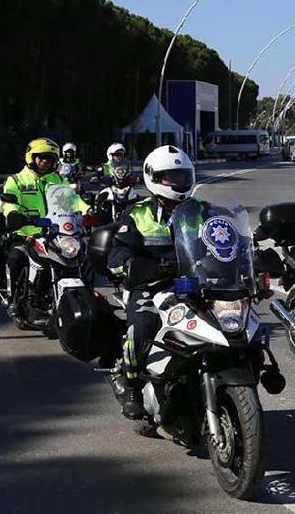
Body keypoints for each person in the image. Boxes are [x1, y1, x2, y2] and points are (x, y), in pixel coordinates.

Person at [106, 145, 197, 419]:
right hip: (150, 287)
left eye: (182, 176)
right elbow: (117, 254)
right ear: (153, 178)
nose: (178, 183)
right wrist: (134, 266)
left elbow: (225, 238)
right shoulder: (136, 214)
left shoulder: (200, 211)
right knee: (142, 325)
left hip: (193, 284)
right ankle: (132, 386)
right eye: (171, 177)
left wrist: (247, 253)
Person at [1, 138, 82, 323]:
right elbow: (9, 204)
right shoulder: (16, 180)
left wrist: (88, 210)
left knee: (80, 255)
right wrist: (13, 215)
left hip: (55, 235)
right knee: (16, 258)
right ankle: (14, 300)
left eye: (49, 158)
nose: (45, 161)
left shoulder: (58, 180)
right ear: (32, 158)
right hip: (24, 234)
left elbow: (72, 201)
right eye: (41, 157)